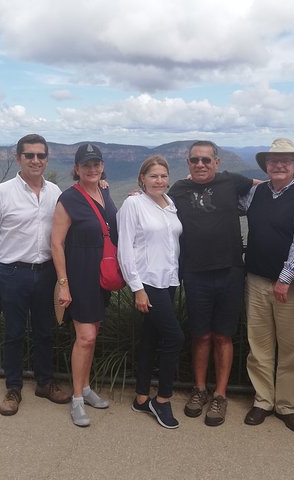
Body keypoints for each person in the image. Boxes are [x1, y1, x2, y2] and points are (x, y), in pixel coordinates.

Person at [0, 133, 71, 416]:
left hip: (46, 273)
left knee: (44, 331)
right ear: (18, 158)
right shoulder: (2, 193)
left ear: (46, 159)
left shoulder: (55, 192)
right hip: (12, 273)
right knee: (14, 333)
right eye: (29, 155)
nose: (35, 160)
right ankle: (13, 388)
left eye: (40, 155)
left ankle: (44, 382)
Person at [168, 140, 255, 427]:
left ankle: (220, 395)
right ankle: (199, 389)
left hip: (230, 270)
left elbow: (266, 186)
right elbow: (154, 202)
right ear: (188, 163)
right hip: (195, 273)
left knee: (223, 336)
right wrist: (109, 187)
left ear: (217, 162)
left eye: (206, 160)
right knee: (201, 335)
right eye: (195, 160)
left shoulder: (232, 181)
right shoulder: (178, 190)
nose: (201, 164)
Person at [240, 138, 294, 433]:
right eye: (273, 160)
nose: (279, 165)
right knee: (259, 345)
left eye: (286, 160)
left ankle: (287, 405)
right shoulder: (257, 192)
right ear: (266, 165)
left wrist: (285, 277)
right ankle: (263, 401)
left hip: (293, 285)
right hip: (256, 279)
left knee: (290, 347)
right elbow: (226, 202)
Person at [51, 143, 118, 427]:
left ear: (102, 166)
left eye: (96, 164)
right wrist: (63, 284)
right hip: (78, 276)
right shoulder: (68, 199)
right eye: (86, 165)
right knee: (85, 338)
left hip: (100, 277)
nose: (92, 169)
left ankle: (87, 387)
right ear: (76, 169)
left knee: (93, 337)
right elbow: (56, 243)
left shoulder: (105, 190)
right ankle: (77, 398)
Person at [117, 155, 185, 429]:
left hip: (168, 281)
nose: (159, 180)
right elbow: (125, 250)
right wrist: (138, 289)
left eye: (163, 176)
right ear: (142, 179)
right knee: (175, 338)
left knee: (151, 338)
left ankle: (142, 396)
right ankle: (163, 399)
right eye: (153, 176)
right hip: (148, 283)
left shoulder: (170, 204)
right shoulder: (133, 204)